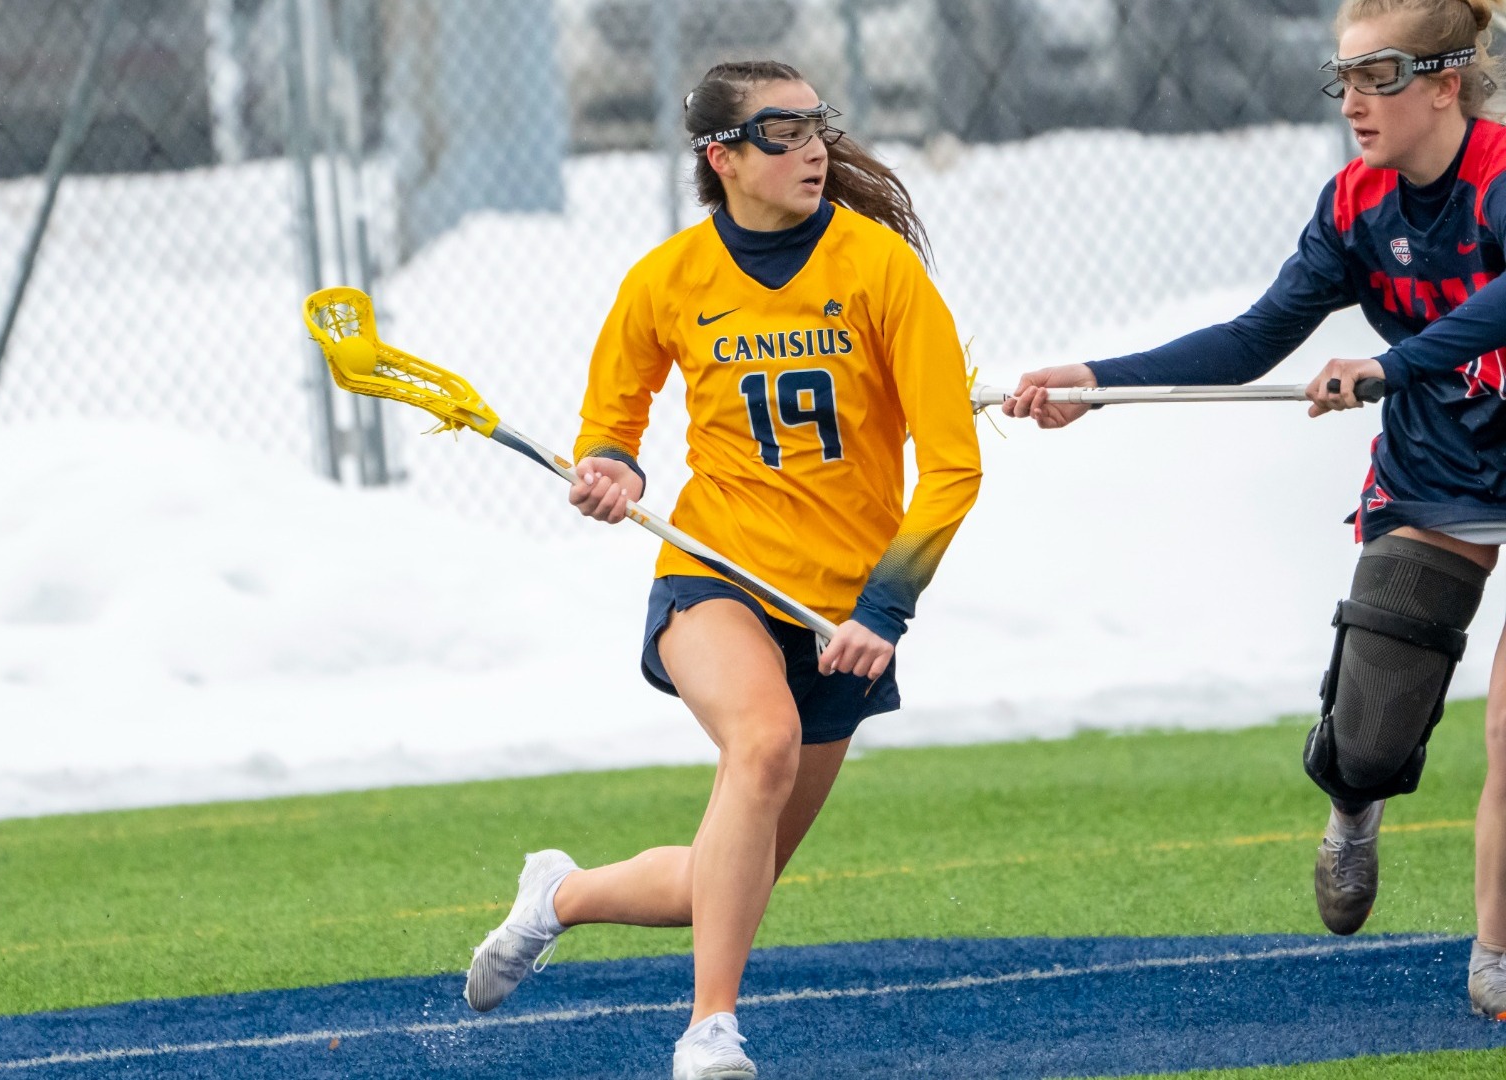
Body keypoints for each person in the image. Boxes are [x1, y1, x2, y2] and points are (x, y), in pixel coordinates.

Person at [458, 61, 982, 1078]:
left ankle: (556, 896)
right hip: (717, 575)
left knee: (723, 882)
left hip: (844, 613)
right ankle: (710, 1030)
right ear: (722, 158)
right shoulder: (667, 279)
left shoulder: (881, 271)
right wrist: (609, 469)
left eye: (815, 125)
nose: (812, 147)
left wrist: (886, 608)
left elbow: (951, 467)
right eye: (779, 132)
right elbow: (610, 430)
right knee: (764, 740)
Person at [1004, 0, 1506, 1019]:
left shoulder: (1502, 176)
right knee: (1369, 732)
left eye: (1380, 76)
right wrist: (1099, 382)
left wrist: (1391, 362)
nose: (1352, 103)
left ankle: (1494, 956)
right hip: (1438, 473)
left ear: (1448, 83)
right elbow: (1250, 339)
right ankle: (1354, 808)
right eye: (1343, 78)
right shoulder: (1355, 204)